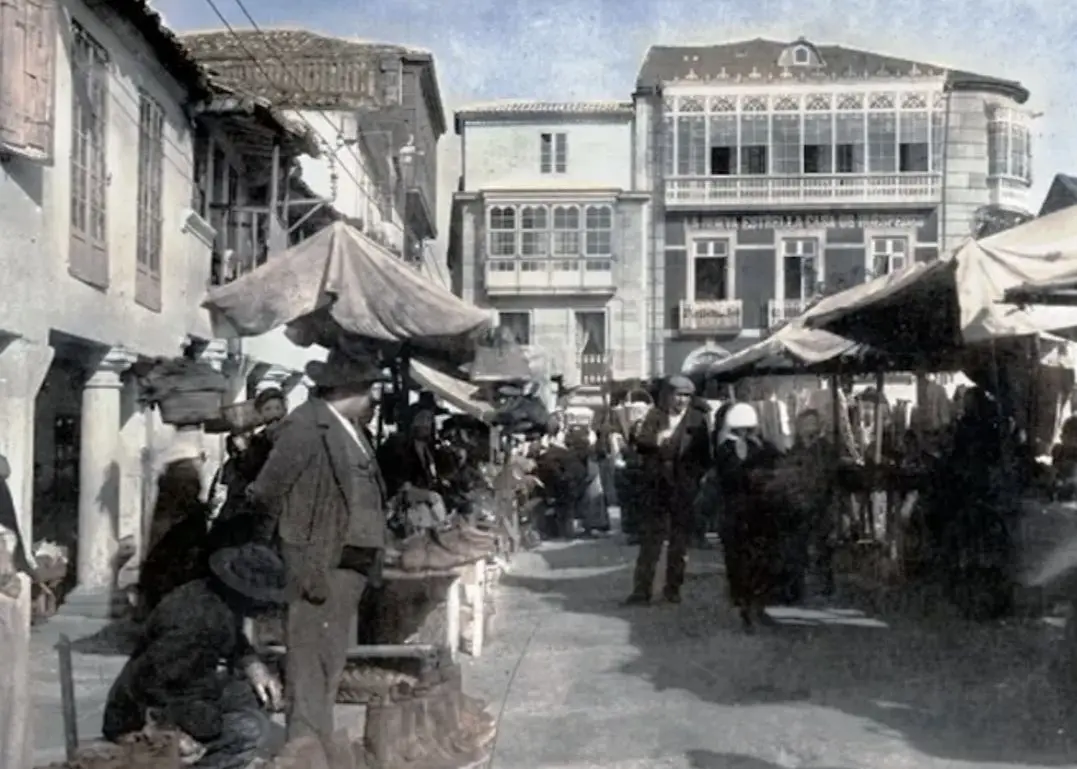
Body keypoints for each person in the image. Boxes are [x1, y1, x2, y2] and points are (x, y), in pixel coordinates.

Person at [246, 350, 388, 753]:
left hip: (347, 567)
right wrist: (285, 551)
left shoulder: (350, 427)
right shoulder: (306, 426)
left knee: (328, 661)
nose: (374, 398)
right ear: (348, 388)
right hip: (317, 564)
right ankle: (303, 748)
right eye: (369, 388)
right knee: (309, 662)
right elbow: (267, 491)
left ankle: (317, 743)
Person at [103, 543, 287, 769]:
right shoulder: (196, 623)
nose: (266, 608)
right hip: (141, 715)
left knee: (253, 695)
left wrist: (252, 663)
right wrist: (174, 731)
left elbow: (232, 639)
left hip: (183, 691)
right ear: (245, 594)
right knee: (251, 729)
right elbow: (150, 682)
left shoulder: (212, 597)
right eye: (263, 600)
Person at [624, 376, 711, 605]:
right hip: (656, 486)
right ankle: (641, 592)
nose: (682, 400)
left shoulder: (698, 420)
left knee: (679, 543)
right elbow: (640, 444)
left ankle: (672, 590)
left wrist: (694, 479)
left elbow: (704, 457)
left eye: (686, 396)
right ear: (668, 395)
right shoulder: (655, 416)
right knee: (650, 542)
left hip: (683, 489)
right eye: (678, 395)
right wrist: (655, 440)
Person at [714, 402, 783, 629]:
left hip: (758, 513)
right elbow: (730, 477)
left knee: (760, 562)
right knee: (739, 563)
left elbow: (779, 463)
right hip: (736, 513)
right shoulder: (725, 448)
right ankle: (745, 608)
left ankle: (757, 606)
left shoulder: (762, 445)